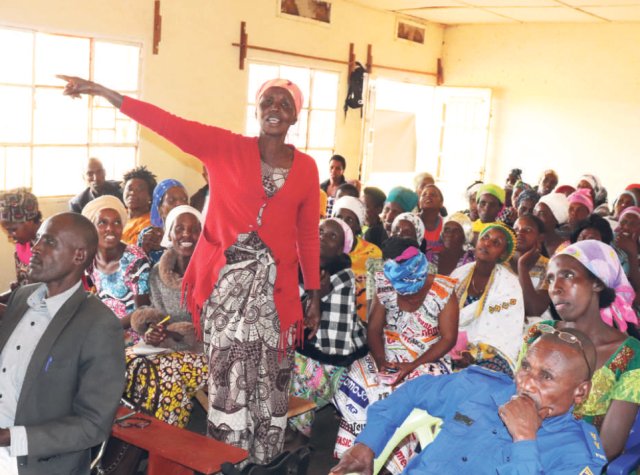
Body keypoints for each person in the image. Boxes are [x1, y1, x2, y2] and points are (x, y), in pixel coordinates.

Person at [58, 75, 321, 463]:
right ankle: (229, 466)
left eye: (285, 104)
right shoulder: (225, 147)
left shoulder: (307, 168)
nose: (275, 109)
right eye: (268, 101)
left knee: (270, 394)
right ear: (257, 108)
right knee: (229, 395)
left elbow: (307, 236)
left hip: (275, 301)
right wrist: (104, 92)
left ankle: (265, 465)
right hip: (226, 299)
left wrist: (312, 293)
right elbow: (165, 122)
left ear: (296, 116)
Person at [329, 329, 606, 475]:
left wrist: (524, 440)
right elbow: (414, 392)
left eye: (546, 377)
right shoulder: (482, 387)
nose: (526, 383)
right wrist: (368, 444)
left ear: (580, 392)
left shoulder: (577, 454)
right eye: (526, 367)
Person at [0, 212, 125, 474]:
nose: (35, 249)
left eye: (50, 242)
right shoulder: (22, 299)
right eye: (38, 240)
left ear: (78, 256)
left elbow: (93, 425)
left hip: (32, 462)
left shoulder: (98, 325)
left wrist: (9, 437)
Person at [333, 237, 458, 473]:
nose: (406, 295)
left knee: (409, 388)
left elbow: (448, 339)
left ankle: (394, 465)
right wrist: (382, 363)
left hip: (428, 357)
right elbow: (373, 330)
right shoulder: (385, 284)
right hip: (389, 353)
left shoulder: (443, 290)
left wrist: (410, 366)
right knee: (358, 375)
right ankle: (355, 455)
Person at [524, 240, 639, 459]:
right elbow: (517, 401)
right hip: (524, 448)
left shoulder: (629, 355)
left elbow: (608, 447)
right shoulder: (539, 334)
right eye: (550, 278)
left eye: (567, 275)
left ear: (597, 282)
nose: (555, 288)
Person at [126, 205, 208, 428]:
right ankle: (137, 439)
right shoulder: (156, 273)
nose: (186, 235)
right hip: (166, 350)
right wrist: (153, 330)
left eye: (194, 230)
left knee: (163, 373)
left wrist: (173, 334)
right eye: (179, 228)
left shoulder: (213, 272)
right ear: (169, 235)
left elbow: (211, 328)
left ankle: (168, 442)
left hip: (206, 354)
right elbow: (153, 313)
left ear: (202, 234)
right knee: (128, 362)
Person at [288, 218, 366, 442]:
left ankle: (299, 437)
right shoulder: (299, 267)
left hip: (335, 359)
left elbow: (333, 344)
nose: (323, 237)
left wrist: (318, 299)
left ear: (342, 248)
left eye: (333, 236)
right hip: (306, 348)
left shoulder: (345, 278)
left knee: (302, 374)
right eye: (320, 231)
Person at [450, 223, 525, 375]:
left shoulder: (510, 284)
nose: (487, 244)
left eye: (496, 243)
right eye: (485, 238)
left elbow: (499, 324)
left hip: (490, 351)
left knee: (487, 375)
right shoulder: (459, 274)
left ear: (503, 255)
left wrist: (473, 352)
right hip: (450, 342)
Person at [81, 195, 151, 346]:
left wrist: (107, 328)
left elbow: (142, 311)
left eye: (117, 222)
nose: (110, 229)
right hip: (104, 329)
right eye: (102, 223)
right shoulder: (90, 258)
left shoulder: (135, 260)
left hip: (134, 336)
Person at [333, 196, 382, 322]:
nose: (342, 222)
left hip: (361, 324)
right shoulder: (325, 249)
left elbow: (377, 295)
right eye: (339, 217)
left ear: (358, 227)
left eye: (349, 220)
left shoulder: (372, 253)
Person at [137, 178, 189, 265]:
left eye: (184, 199)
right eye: (172, 201)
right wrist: (144, 250)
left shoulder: (192, 235)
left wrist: (164, 248)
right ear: (160, 209)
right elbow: (135, 272)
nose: (180, 204)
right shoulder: (149, 235)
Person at [511, 214, 550, 324]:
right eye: (516, 229)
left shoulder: (549, 267)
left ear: (540, 237)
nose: (519, 233)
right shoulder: (501, 262)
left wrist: (522, 266)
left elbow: (534, 310)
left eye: (527, 230)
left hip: (535, 327)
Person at [0, 189, 41, 290]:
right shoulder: (22, 245)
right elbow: (23, 286)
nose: (10, 236)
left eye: (13, 230)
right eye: (7, 231)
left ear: (30, 220)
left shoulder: (52, 245)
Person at [121, 166, 158, 245]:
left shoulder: (151, 224)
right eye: (130, 189)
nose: (132, 193)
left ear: (150, 196)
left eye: (139, 189)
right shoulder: (118, 214)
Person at [533, 191, 570, 257]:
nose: (535, 216)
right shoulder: (530, 239)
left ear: (556, 219)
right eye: (535, 211)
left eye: (542, 213)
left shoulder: (566, 250)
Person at [418, 184, 445, 261]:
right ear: (419, 203)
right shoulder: (411, 222)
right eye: (424, 195)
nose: (428, 196)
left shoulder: (446, 225)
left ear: (441, 203)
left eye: (433, 194)